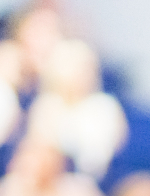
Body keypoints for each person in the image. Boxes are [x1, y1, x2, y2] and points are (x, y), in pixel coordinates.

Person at [24, 38, 126, 176]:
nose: (84, 75)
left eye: (88, 68)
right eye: (78, 68)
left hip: (99, 181)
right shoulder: (46, 106)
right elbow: (37, 152)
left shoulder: (106, 107)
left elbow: (116, 150)